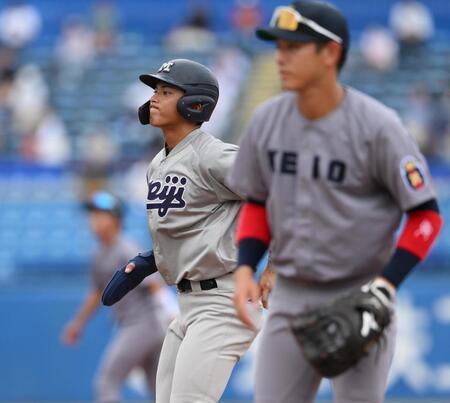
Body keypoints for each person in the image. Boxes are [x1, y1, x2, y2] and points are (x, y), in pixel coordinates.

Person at [227, 2, 443, 403]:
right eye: (279, 47)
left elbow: (426, 216)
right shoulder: (266, 120)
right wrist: (244, 267)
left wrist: (386, 284)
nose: (281, 56)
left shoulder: (378, 126)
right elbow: (257, 201)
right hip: (289, 293)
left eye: (294, 47)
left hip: (358, 294)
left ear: (330, 53)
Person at [101, 58, 262, 403]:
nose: (154, 98)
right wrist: (148, 261)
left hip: (223, 300)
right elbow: (194, 228)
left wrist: (275, 265)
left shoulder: (213, 155)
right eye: (155, 91)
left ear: (195, 103)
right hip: (187, 304)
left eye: (166, 91)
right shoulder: (158, 164)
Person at [61, 191, 168, 403]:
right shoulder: (100, 253)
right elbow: (96, 293)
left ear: (116, 219)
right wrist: (78, 323)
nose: (94, 220)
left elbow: (154, 285)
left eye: (100, 214)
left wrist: (170, 312)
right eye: (92, 215)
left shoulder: (125, 247)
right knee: (159, 393)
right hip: (144, 326)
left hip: (142, 325)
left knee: (107, 383)